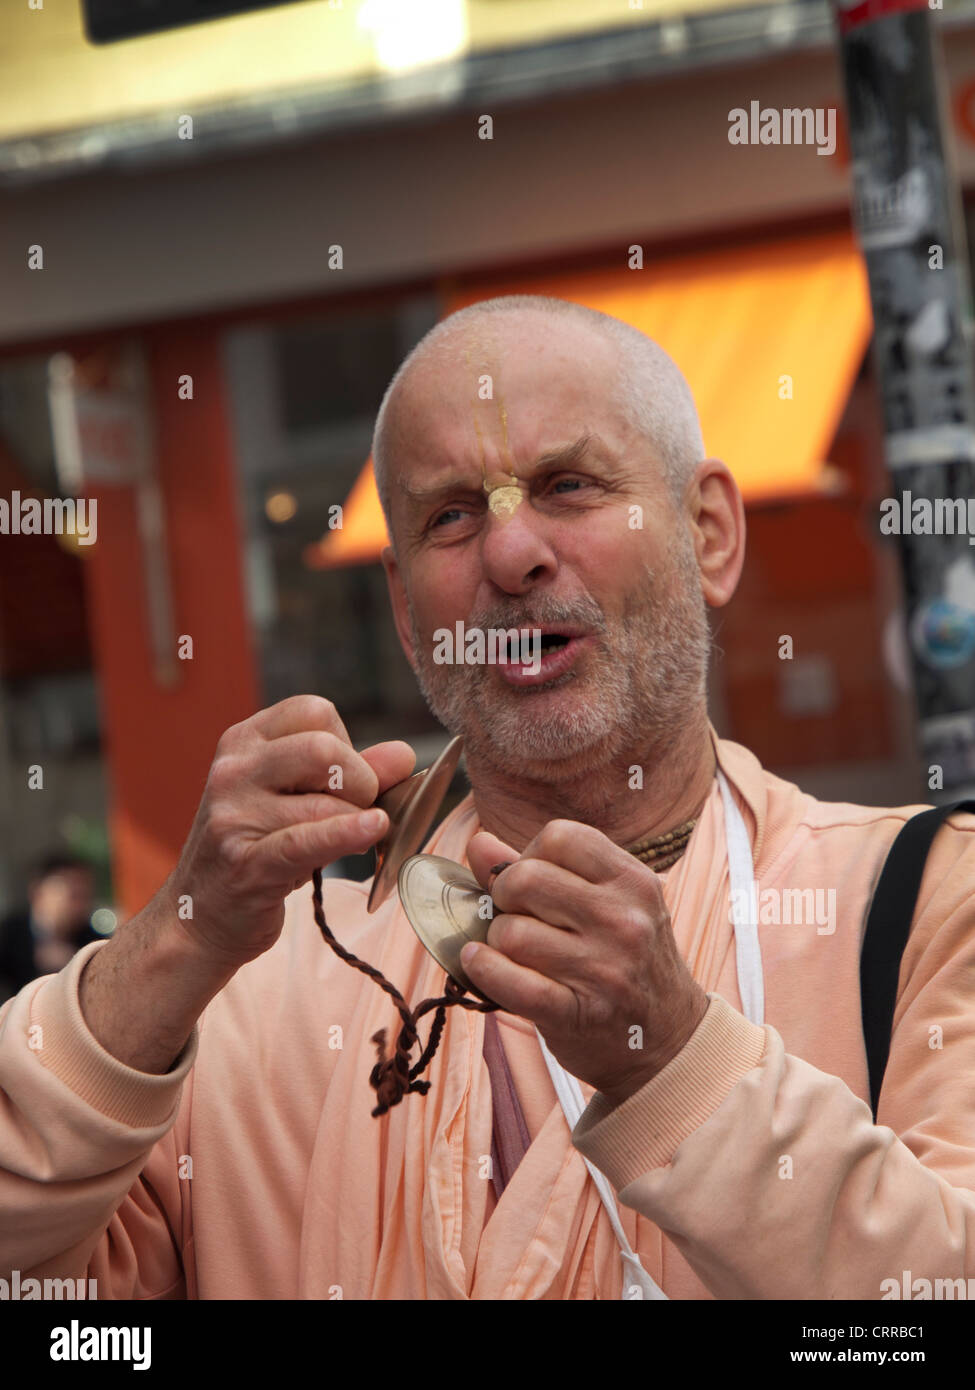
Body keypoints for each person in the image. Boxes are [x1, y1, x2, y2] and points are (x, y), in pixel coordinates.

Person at [1, 296, 974, 1300]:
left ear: (709, 534)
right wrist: (180, 938)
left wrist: (676, 1057)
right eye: (451, 515)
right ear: (406, 611)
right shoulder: (254, 998)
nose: (511, 557)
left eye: (568, 485)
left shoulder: (918, 908)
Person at [0, 853, 98, 1004]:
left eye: (85, 896)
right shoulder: (8, 934)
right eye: (73, 895)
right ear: (38, 892)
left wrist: (73, 961)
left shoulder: (91, 941)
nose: (80, 905)